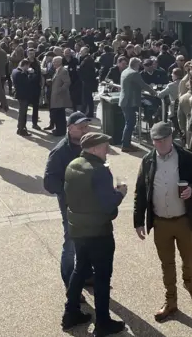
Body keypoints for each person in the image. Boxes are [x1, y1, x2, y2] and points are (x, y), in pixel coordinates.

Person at [133, 122, 192, 322]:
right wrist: (138, 221)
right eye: (156, 141)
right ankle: (171, 300)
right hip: (160, 222)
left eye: (164, 140)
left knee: (189, 257)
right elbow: (140, 192)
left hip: (183, 220)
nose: (160, 144)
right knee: (166, 263)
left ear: (171, 138)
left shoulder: (186, 157)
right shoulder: (148, 161)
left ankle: (189, 283)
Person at [62, 132, 127, 336]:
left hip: (78, 231)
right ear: (94, 148)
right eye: (105, 146)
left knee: (79, 269)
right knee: (102, 277)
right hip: (99, 234)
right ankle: (103, 323)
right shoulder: (99, 171)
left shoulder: (72, 165)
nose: (107, 150)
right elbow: (108, 206)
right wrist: (120, 193)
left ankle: (70, 313)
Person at [43, 112, 91, 289]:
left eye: (87, 126)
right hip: (71, 207)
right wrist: (70, 189)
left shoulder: (88, 145)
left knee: (87, 241)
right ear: (70, 129)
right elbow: (49, 182)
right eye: (81, 127)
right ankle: (71, 286)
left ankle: (85, 275)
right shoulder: (60, 152)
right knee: (70, 244)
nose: (85, 130)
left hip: (89, 204)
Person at [119, 57, 156, 153]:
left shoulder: (125, 71)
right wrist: (153, 92)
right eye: (139, 65)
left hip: (124, 100)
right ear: (136, 65)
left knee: (129, 122)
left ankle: (126, 143)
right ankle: (125, 145)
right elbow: (143, 85)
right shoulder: (134, 74)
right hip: (129, 102)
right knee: (130, 123)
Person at [50, 56, 71, 137]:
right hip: (56, 96)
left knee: (59, 115)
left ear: (59, 62)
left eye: (54, 62)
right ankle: (59, 129)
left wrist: (60, 90)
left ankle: (60, 131)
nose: (53, 63)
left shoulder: (63, 71)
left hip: (60, 97)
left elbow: (67, 82)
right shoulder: (57, 70)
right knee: (58, 115)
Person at [78, 47, 98, 118]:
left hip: (88, 81)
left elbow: (84, 70)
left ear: (85, 52)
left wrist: (79, 69)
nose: (80, 52)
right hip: (87, 80)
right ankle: (86, 111)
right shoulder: (86, 59)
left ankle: (89, 112)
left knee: (88, 97)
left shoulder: (87, 59)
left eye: (81, 51)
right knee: (86, 97)